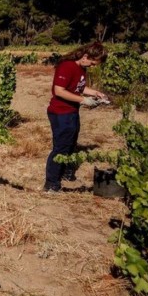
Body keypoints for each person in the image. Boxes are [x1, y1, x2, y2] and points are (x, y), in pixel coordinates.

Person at [44, 42, 109, 193]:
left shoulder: (81, 68)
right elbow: (59, 90)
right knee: (61, 147)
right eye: (92, 63)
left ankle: (67, 174)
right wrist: (83, 100)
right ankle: (51, 184)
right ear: (85, 56)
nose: (92, 66)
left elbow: (78, 87)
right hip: (60, 113)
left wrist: (94, 93)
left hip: (72, 112)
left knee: (71, 144)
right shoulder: (67, 66)